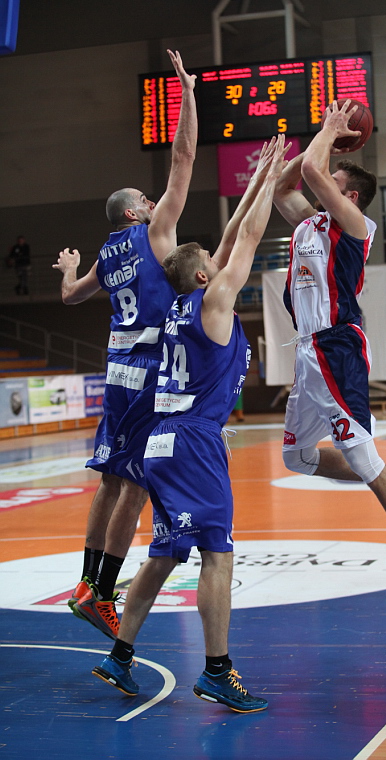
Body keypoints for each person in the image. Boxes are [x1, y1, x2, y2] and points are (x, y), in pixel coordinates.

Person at [92, 135, 289, 713]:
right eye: (210, 263)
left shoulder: (183, 302)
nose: (218, 263)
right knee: (217, 555)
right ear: (204, 277)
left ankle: (120, 656)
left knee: (165, 552)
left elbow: (228, 239)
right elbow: (247, 238)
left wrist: (259, 179)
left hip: (160, 441)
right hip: (193, 442)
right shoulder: (215, 301)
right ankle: (217, 671)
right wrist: (270, 178)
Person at [52, 50, 197, 639]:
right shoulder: (155, 231)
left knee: (110, 479)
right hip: (149, 369)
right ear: (137, 210)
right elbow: (183, 157)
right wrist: (188, 94)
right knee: (134, 485)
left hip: (117, 371)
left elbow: (70, 297)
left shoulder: (107, 253)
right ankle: (103, 594)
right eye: (146, 198)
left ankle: (87, 583)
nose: (154, 202)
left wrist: (70, 269)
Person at [272, 100, 386, 613]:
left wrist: (329, 130)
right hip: (307, 351)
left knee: (361, 454)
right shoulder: (310, 223)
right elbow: (284, 186)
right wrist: (312, 144)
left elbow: (310, 171)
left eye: (333, 180)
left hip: (337, 347)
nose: (321, 183)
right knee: (296, 458)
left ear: (349, 195)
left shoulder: (354, 224)